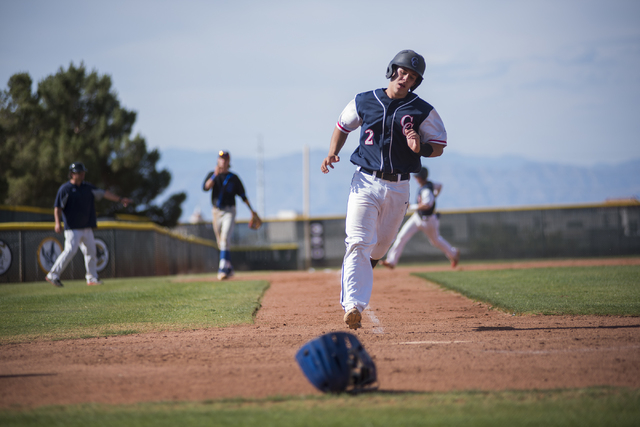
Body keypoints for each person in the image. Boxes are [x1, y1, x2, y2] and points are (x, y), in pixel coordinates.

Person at [320, 49, 448, 330]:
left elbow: (438, 145)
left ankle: (365, 271)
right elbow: (343, 126)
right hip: (364, 181)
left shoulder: (422, 110)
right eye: (402, 72)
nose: (405, 78)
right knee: (358, 241)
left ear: (416, 82)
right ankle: (353, 305)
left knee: (379, 247)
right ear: (392, 70)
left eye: (412, 76)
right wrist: (332, 152)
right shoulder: (365, 100)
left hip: (399, 186)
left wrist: (421, 148)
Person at [46, 162, 132, 287]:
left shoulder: (88, 188)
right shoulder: (65, 189)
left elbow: (104, 193)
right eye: (79, 172)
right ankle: (52, 275)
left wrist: (120, 199)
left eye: (83, 172)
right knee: (70, 251)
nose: (82, 174)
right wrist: (57, 223)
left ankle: (92, 278)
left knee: (91, 252)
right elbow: (57, 208)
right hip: (72, 228)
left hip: (86, 227)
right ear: (72, 174)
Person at [380, 167, 460, 270]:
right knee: (402, 236)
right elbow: (439, 186)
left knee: (435, 241)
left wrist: (412, 207)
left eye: (416, 177)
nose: (415, 179)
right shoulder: (429, 185)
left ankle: (453, 254)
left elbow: (427, 205)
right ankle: (391, 261)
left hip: (428, 221)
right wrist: (435, 195)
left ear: (420, 178)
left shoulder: (426, 190)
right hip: (417, 217)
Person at [203, 150, 257, 280]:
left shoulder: (234, 178)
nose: (223, 161)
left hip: (229, 211)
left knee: (225, 237)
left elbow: (243, 196)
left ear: (229, 162)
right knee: (221, 241)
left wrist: (251, 211)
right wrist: (214, 175)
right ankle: (229, 267)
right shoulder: (212, 175)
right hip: (216, 212)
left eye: (225, 159)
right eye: (221, 158)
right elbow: (205, 187)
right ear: (218, 160)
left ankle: (222, 268)